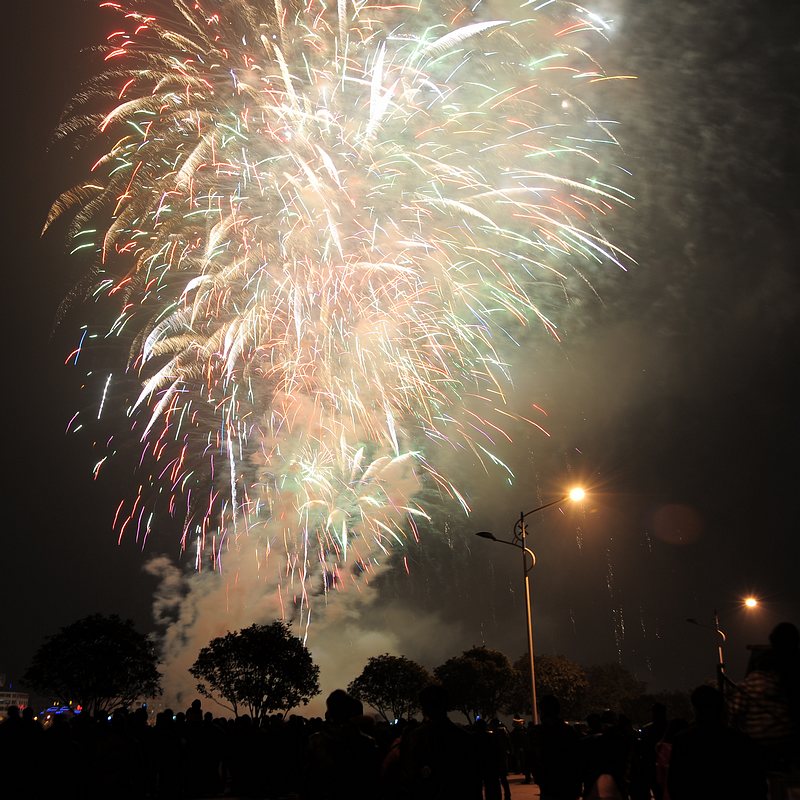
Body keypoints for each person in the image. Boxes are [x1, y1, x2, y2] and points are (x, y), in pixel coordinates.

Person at [668, 684, 767, 800]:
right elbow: (757, 785)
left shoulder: (683, 741)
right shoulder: (742, 741)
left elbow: (675, 784)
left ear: (695, 708)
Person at [729, 621, 800, 774]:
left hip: (757, 747)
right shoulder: (790, 676)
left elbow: (735, 713)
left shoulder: (750, 684)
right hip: (789, 745)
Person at [400, 684, 482, 800]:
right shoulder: (465, 738)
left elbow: (410, 777)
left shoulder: (416, 737)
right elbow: (474, 782)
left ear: (424, 709)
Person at [528, 695, 581, 800]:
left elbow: (533, 759)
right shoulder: (569, 732)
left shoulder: (538, 733)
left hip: (549, 786)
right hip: (568, 785)